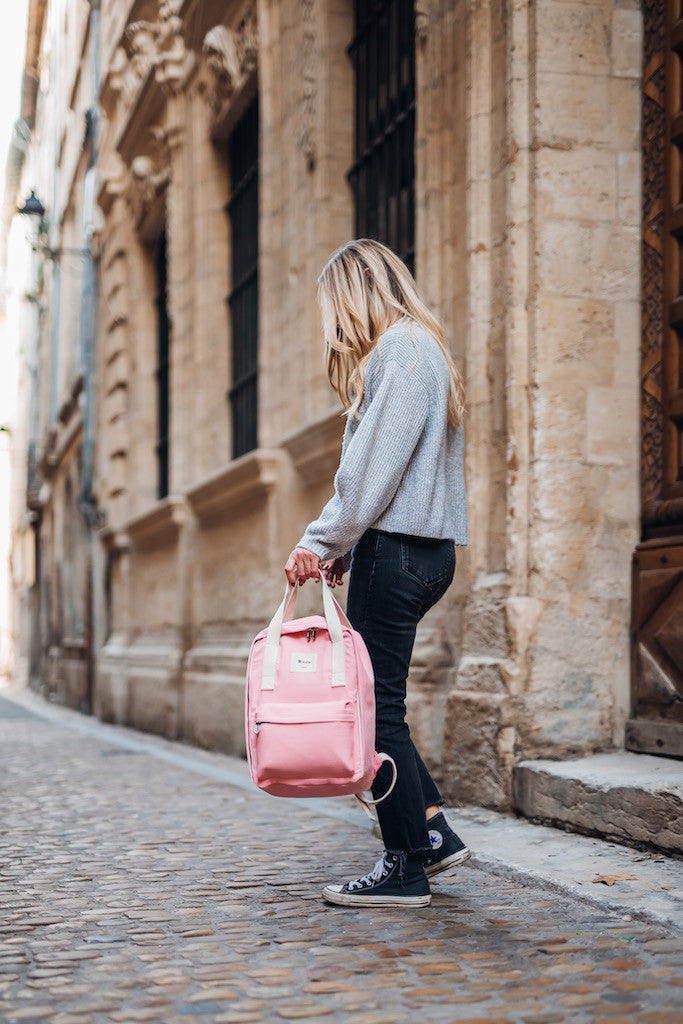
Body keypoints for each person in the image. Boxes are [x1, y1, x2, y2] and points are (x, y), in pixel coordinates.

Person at [284, 239, 470, 908]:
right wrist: (342, 550)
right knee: (380, 703)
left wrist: (319, 541)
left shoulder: (402, 350)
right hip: (413, 551)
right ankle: (432, 835)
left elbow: (369, 471)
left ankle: (403, 869)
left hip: (397, 551)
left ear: (355, 292)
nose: (333, 327)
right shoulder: (420, 350)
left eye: (334, 308)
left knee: (373, 712)